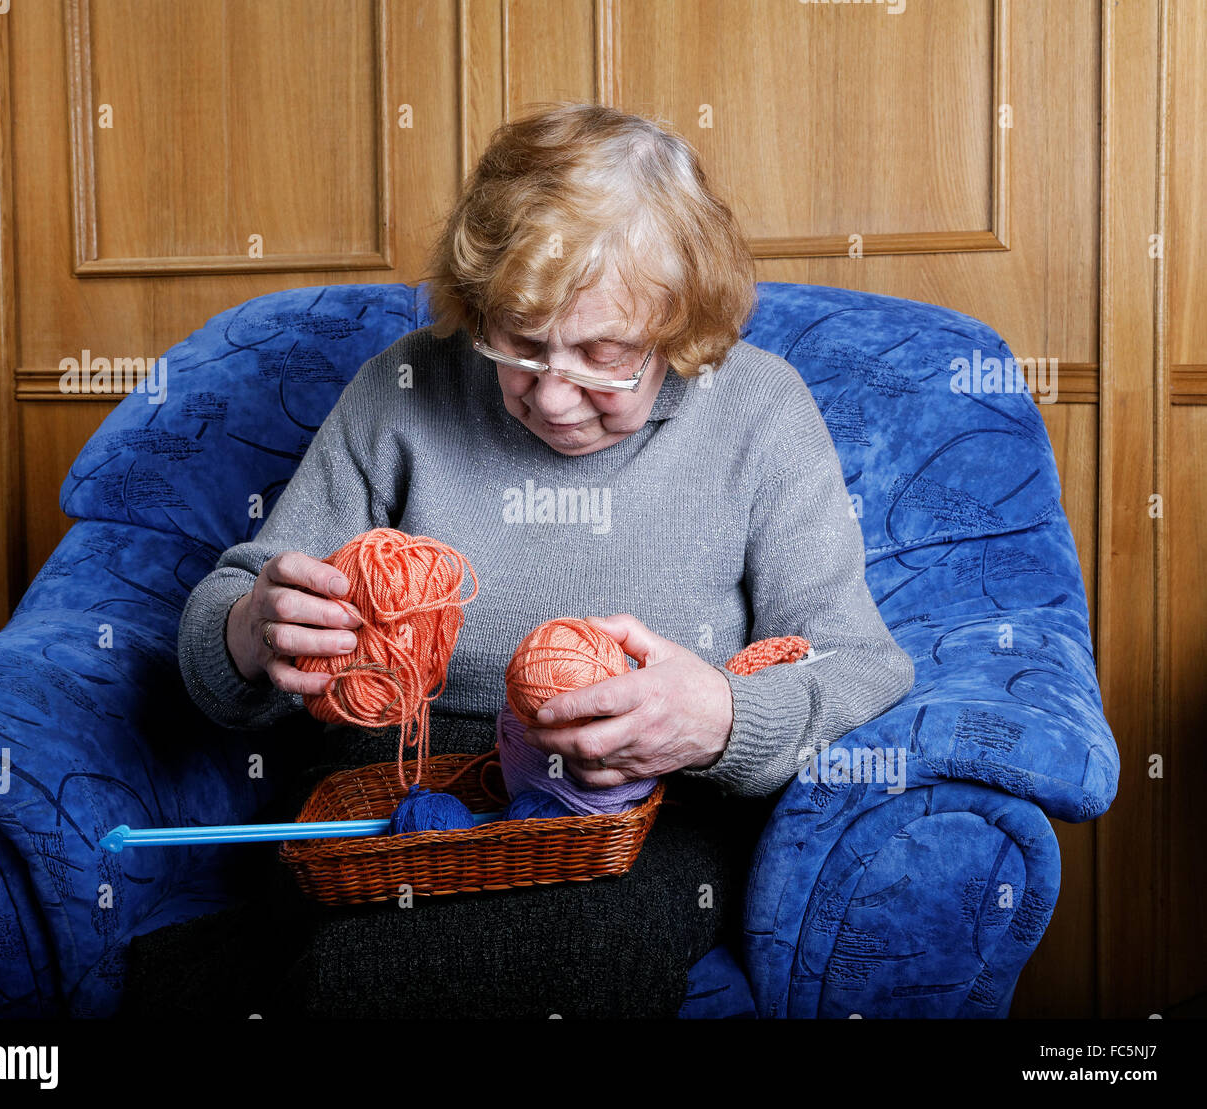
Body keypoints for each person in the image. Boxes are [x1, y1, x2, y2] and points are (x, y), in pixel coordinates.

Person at [161, 101, 914, 1017]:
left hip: (632, 806)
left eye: (604, 357)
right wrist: (249, 630)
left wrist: (720, 716)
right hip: (398, 783)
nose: (554, 398)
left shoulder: (759, 410)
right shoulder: (403, 387)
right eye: (519, 343)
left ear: (682, 328)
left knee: (557, 954)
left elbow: (859, 661)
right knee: (352, 940)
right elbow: (226, 624)